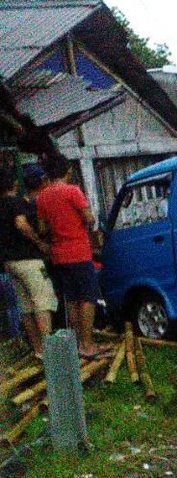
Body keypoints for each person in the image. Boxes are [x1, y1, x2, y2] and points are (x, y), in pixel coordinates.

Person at [36, 153, 109, 358]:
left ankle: (77, 343)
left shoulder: (43, 196)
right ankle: (87, 344)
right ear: (67, 171)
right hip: (78, 252)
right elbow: (89, 218)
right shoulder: (72, 191)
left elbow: (42, 229)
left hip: (59, 255)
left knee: (71, 298)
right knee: (89, 296)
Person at [0, 167, 58, 359]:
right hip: (29, 260)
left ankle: (38, 349)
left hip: (10, 262)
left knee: (25, 306)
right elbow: (21, 223)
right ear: (14, 183)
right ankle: (49, 350)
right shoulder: (16, 202)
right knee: (42, 302)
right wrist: (38, 242)